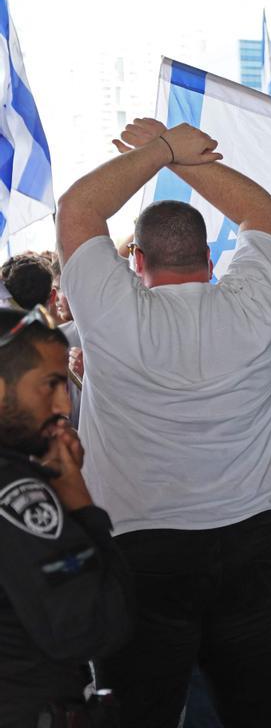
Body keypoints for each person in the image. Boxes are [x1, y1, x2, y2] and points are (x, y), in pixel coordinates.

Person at [56, 117, 271, 726]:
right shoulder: (256, 304)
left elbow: (78, 210)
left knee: (139, 715)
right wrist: (181, 155)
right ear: (210, 256)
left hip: (141, 549)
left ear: (136, 258)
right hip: (253, 538)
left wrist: (162, 150)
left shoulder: (112, 315)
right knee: (256, 712)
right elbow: (262, 214)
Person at [0, 306, 134, 727]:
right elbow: (95, 627)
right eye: (50, 385)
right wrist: (78, 502)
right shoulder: (19, 493)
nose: (63, 403)